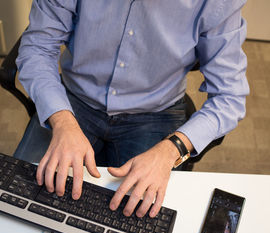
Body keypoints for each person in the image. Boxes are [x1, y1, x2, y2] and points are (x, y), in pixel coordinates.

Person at [15, 0, 249, 218]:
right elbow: (37, 49)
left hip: (155, 112)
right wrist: (62, 122)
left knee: (138, 223)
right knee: (17, 200)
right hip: (74, 99)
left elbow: (230, 96)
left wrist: (171, 150)